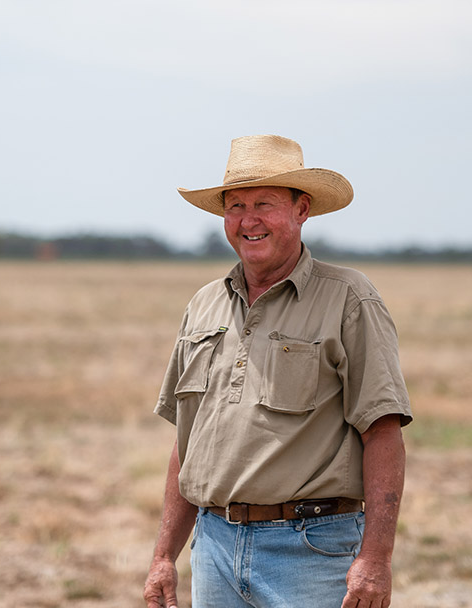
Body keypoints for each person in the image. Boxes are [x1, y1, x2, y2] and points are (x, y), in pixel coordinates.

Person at [144, 134, 413, 608]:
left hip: (312, 550)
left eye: (264, 203)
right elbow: (189, 440)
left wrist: (375, 559)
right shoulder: (204, 303)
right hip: (213, 547)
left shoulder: (349, 298)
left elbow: (383, 431)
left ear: (301, 209)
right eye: (235, 206)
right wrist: (164, 555)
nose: (248, 220)